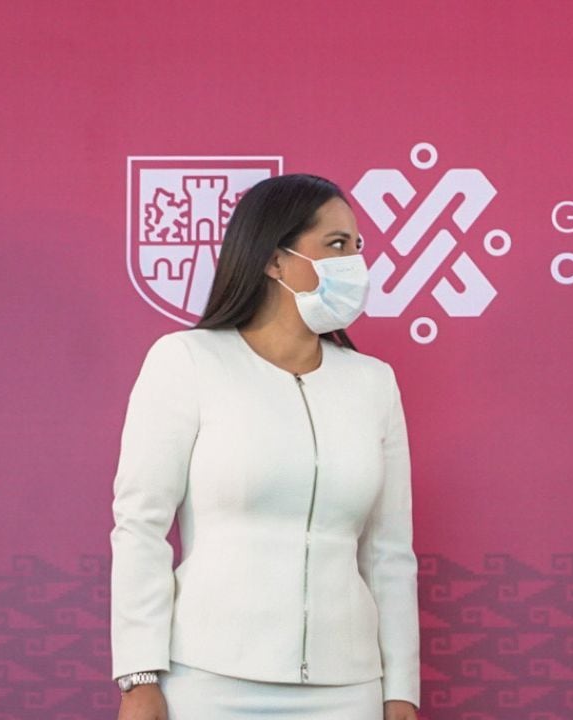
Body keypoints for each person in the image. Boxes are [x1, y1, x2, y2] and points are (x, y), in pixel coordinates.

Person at [109, 174, 420, 720]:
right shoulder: (187, 360)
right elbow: (140, 525)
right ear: (275, 260)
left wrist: (401, 692)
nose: (355, 264)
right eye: (336, 246)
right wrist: (139, 676)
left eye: (358, 248)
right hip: (206, 680)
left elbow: (389, 553)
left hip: (348, 689)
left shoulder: (374, 383)